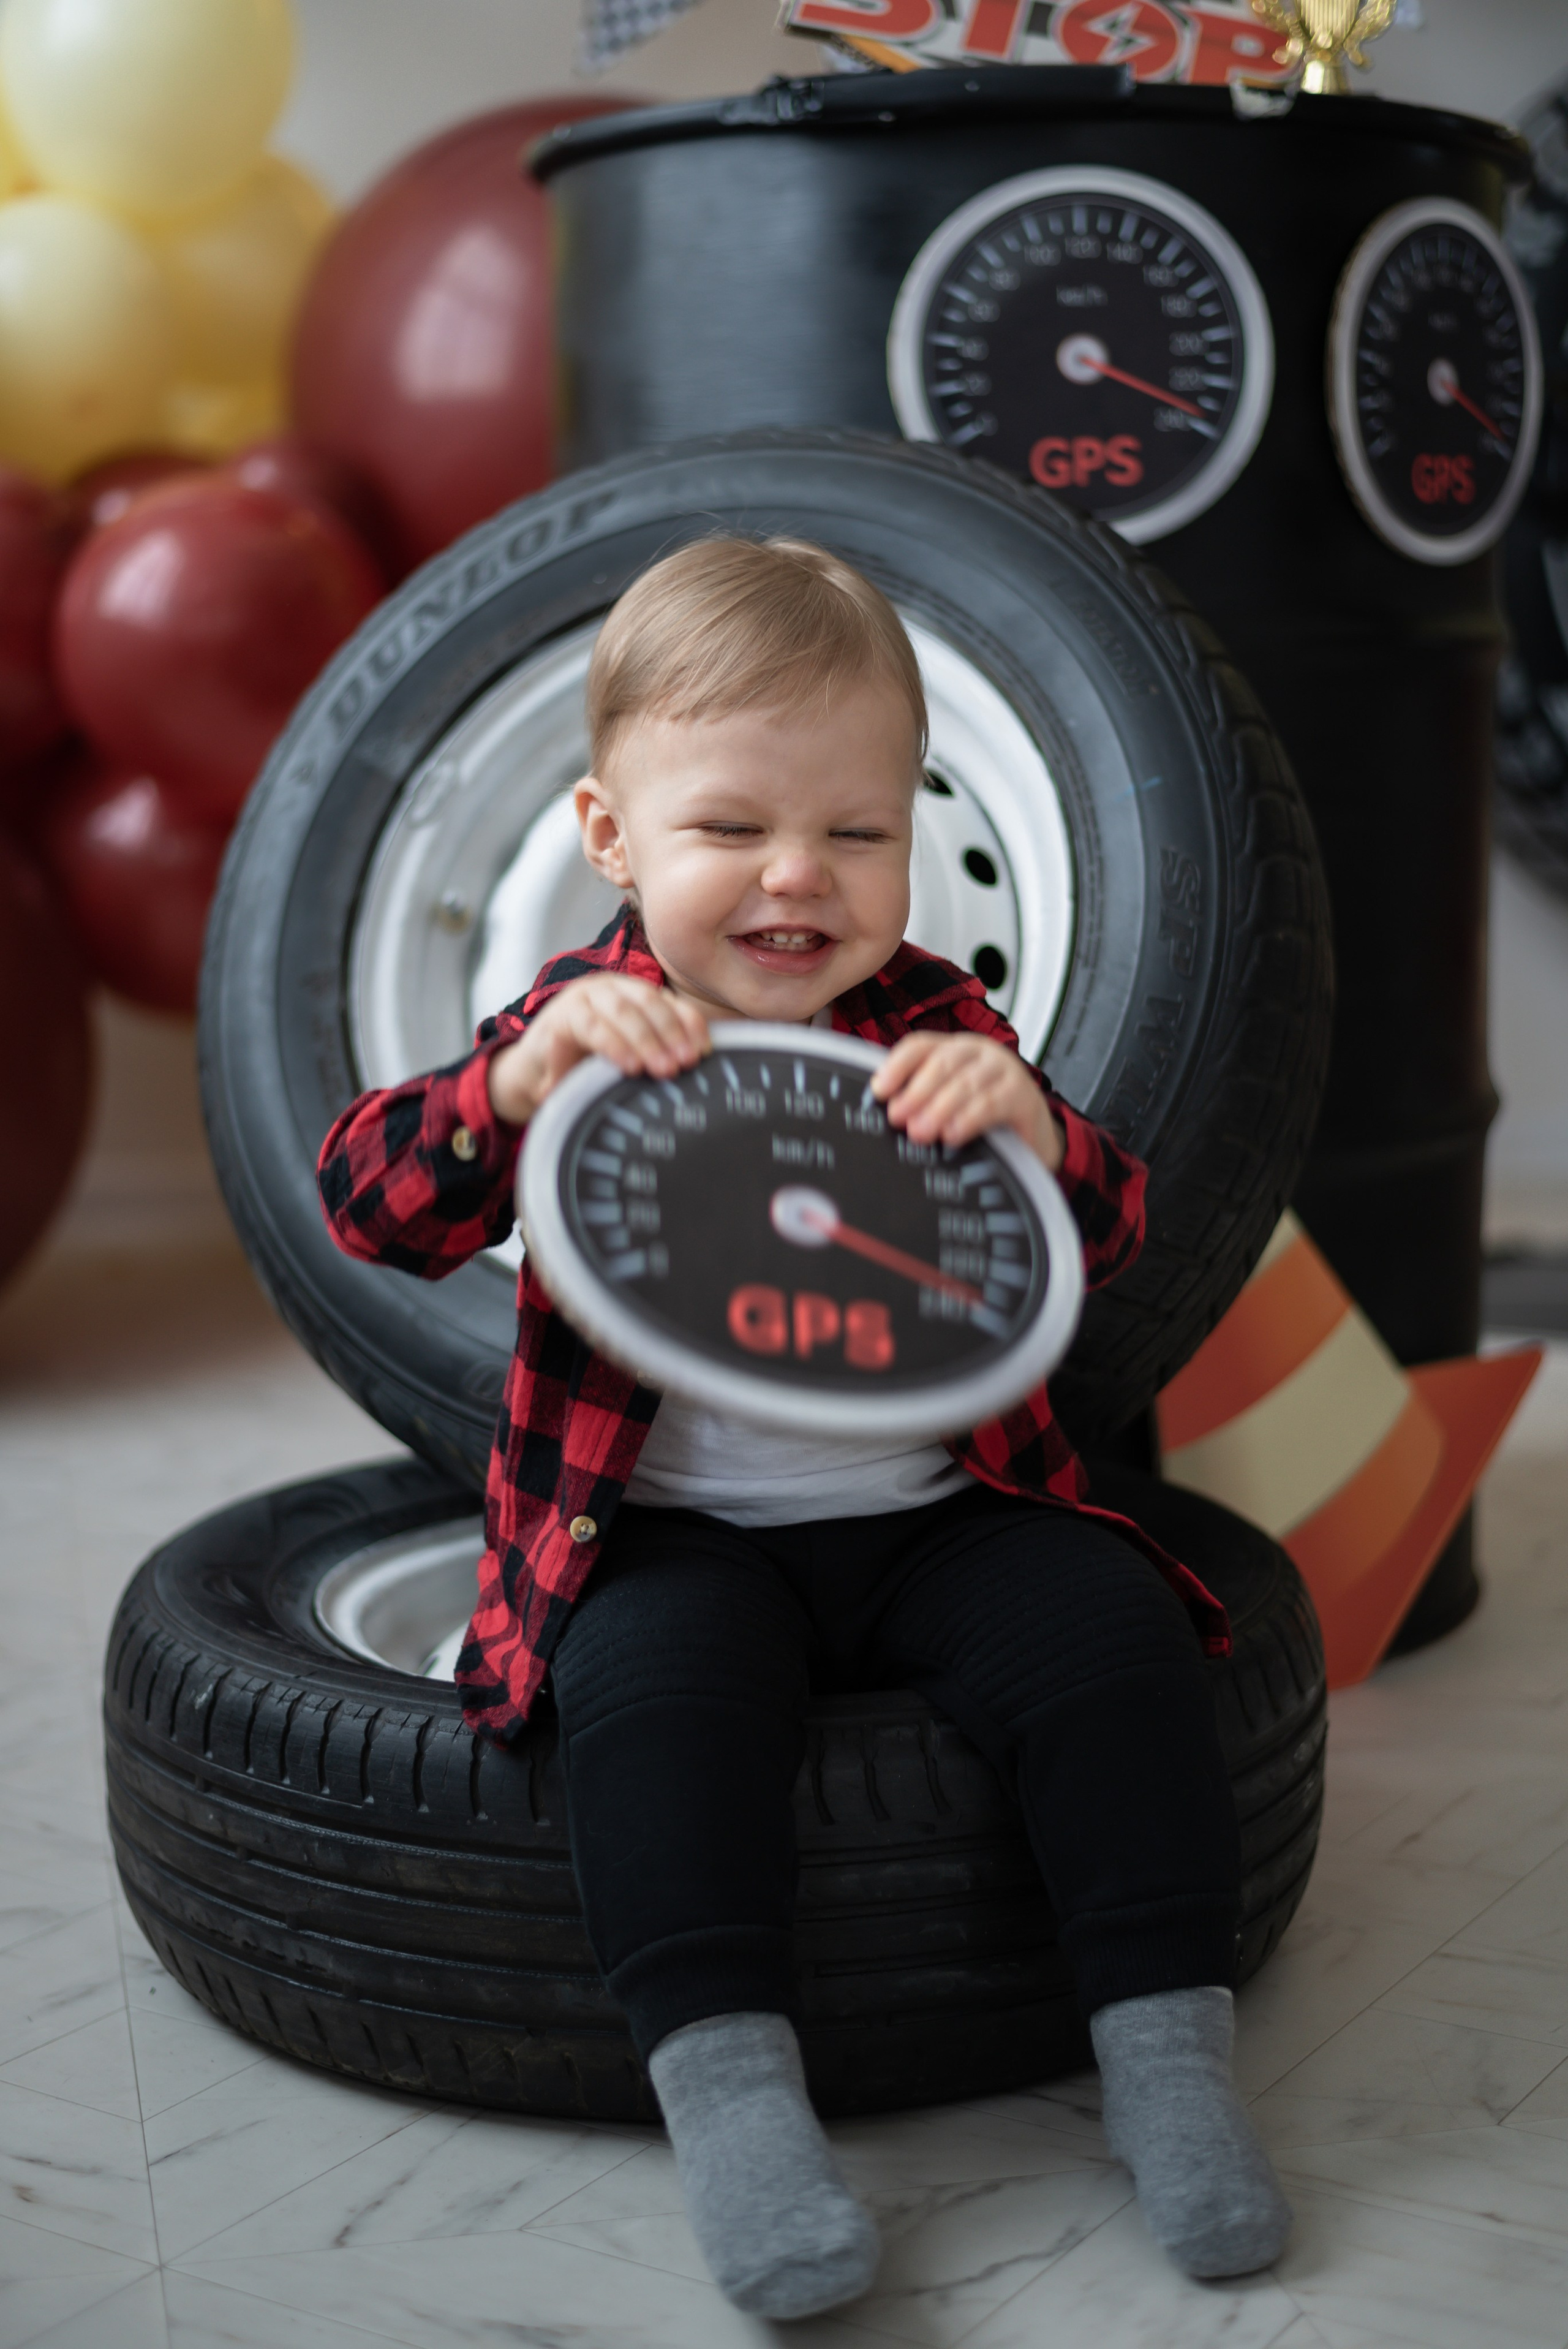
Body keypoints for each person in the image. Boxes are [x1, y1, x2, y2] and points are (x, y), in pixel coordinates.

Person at [317, 535, 1292, 2319]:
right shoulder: (584, 1027)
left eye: (857, 833)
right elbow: (369, 1203)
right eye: (729, 830)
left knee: (1115, 1648)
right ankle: (738, 2101)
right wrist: (508, 1089)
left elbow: (1117, 1231)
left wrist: (1034, 1131)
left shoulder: (935, 1017)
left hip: (941, 1504)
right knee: (655, 1717)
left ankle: (1168, 2063)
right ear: (612, 835)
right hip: (667, 1530)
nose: (797, 878)